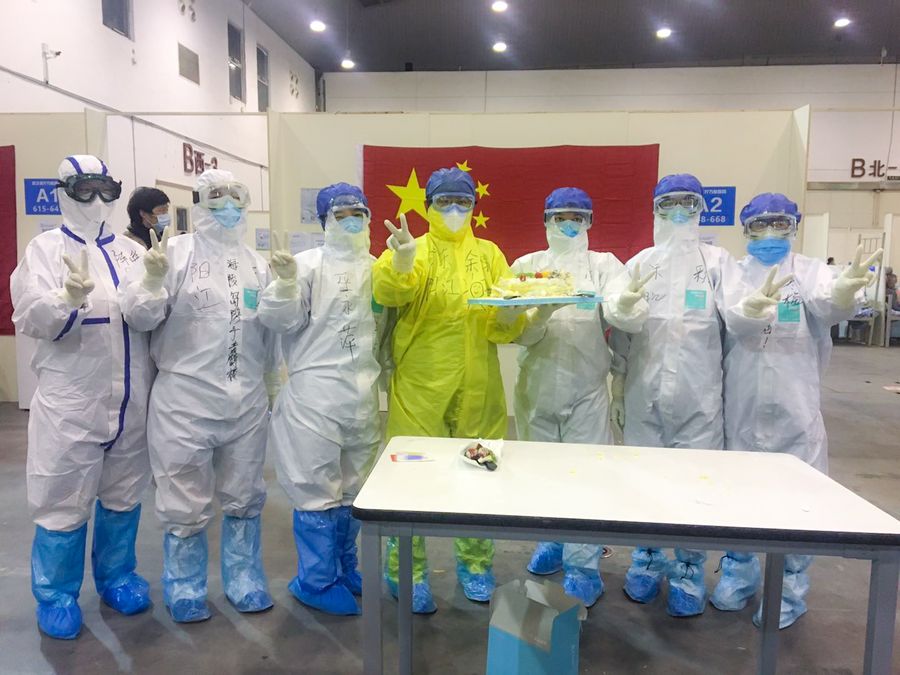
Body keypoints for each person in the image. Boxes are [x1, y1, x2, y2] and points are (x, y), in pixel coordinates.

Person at [712, 193, 881, 629]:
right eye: (760, 225)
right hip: (743, 405)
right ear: (745, 230)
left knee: (800, 497)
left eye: (780, 224)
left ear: (794, 227)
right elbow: (734, 320)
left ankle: (789, 588)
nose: (770, 233)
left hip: (796, 404)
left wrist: (844, 289)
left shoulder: (810, 271)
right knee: (739, 492)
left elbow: (830, 305)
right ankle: (739, 572)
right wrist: (752, 309)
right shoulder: (732, 271)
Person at [120, 169, 277, 623]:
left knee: (245, 493)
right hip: (185, 402)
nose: (228, 210)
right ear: (200, 205)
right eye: (217, 201)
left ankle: (244, 579)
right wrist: (151, 282)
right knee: (184, 498)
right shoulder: (173, 254)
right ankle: (185, 586)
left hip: (245, 400)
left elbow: (270, 336)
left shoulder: (257, 264)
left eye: (236, 202)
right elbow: (139, 317)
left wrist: (270, 388)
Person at [10, 155, 155, 639]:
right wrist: (67, 299)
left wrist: (156, 285)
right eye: (84, 190)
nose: (96, 201)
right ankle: (56, 595)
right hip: (72, 405)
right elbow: (31, 318)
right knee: (63, 499)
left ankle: (118, 578)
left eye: (106, 190)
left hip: (131, 402)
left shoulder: (132, 252)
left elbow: (147, 318)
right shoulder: (45, 250)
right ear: (63, 192)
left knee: (123, 494)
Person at [373, 167, 529, 613]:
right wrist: (402, 261)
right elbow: (387, 293)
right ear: (428, 206)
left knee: (480, 474)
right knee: (411, 478)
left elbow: (504, 324)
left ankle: (476, 565)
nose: (455, 210)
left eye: (463, 202)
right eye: (444, 202)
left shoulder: (490, 254)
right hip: (420, 384)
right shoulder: (411, 248)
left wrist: (510, 313)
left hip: (480, 385)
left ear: (475, 207)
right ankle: (407, 571)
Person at [511, 187, 650, 608]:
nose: (569, 224)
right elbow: (514, 331)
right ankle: (552, 540)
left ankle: (583, 566)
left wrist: (627, 303)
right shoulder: (527, 266)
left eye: (577, 217)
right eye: (560, 217)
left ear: (590, 222)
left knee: (585, 479)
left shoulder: (604, 266)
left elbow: (626, 316)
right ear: (546, 221)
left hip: (587, 392)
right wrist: (540, 316)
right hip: (536, 389)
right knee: (541, 475)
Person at [609, 173, 732, 617]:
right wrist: (618, 385)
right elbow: (621, 331)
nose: (678, 212)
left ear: (700, 209)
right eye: (669, 204)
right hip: (644, 395)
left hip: (700, 400)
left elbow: (737, 328)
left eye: (687, 203)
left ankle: (688, 569)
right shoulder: (640, 264)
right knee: (644, 484)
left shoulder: (718, 264)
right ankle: (646, 558)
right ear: (655, 209)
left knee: (695, 487)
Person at [258, 183, 382, 616]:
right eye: (341, 214)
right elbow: (280, 321)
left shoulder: (378, 269)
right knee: (317, 492)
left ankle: (346, 568)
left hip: (362, 397)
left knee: (352, 491)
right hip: (315, 400)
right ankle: (315, 580)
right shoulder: (307, 265)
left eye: (358, 213)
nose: (351, 221)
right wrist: (285, 285)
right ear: (324, 220)